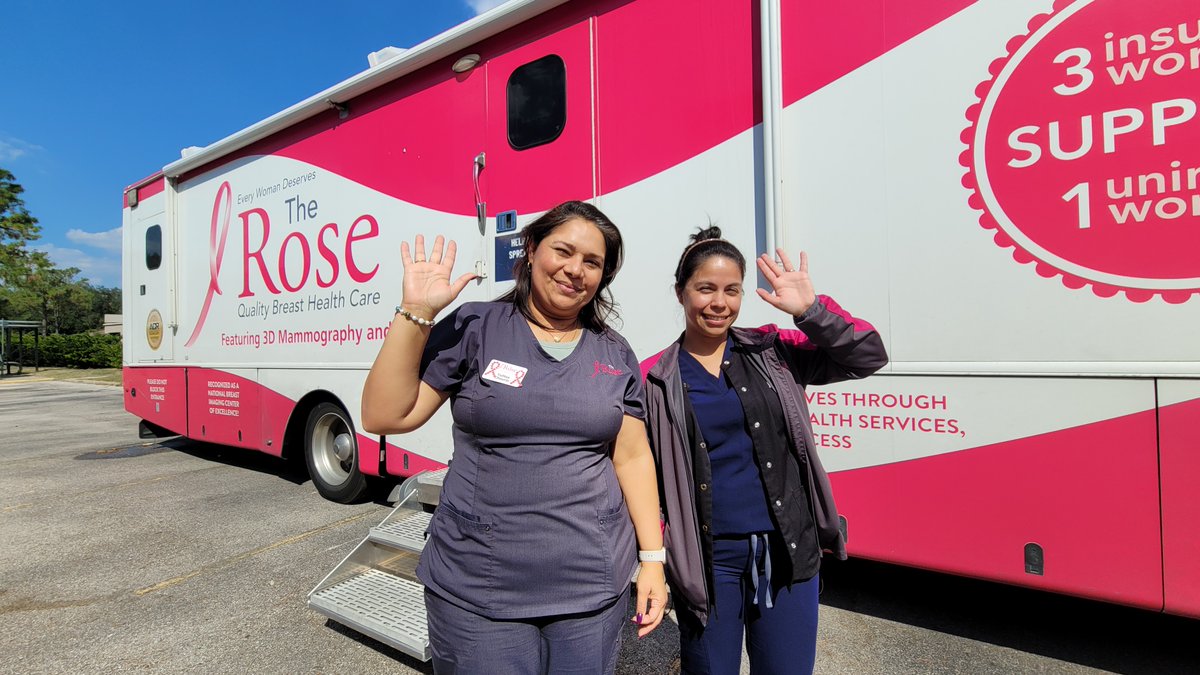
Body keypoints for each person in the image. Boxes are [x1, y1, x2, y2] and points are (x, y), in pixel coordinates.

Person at [361, 201, 667, 674]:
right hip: (478, 587)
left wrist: (653, 560)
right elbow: (385, 415)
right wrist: (416, 312)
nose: (575, 270)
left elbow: (631, 457)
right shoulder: (476, 327)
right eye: (563, 251)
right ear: (530, 248)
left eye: (593, 263)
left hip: (590, 586)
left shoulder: (614, 351)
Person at [641, 227, 887, 675]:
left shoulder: (772, 350)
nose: (720, 303)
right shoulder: (655, 378)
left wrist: (812, 312)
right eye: (706, 289)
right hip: (708, 562)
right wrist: (653, 558)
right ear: (680, 292)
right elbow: (639, 473)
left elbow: (868, 356)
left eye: (732, 290)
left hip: (788, 551)